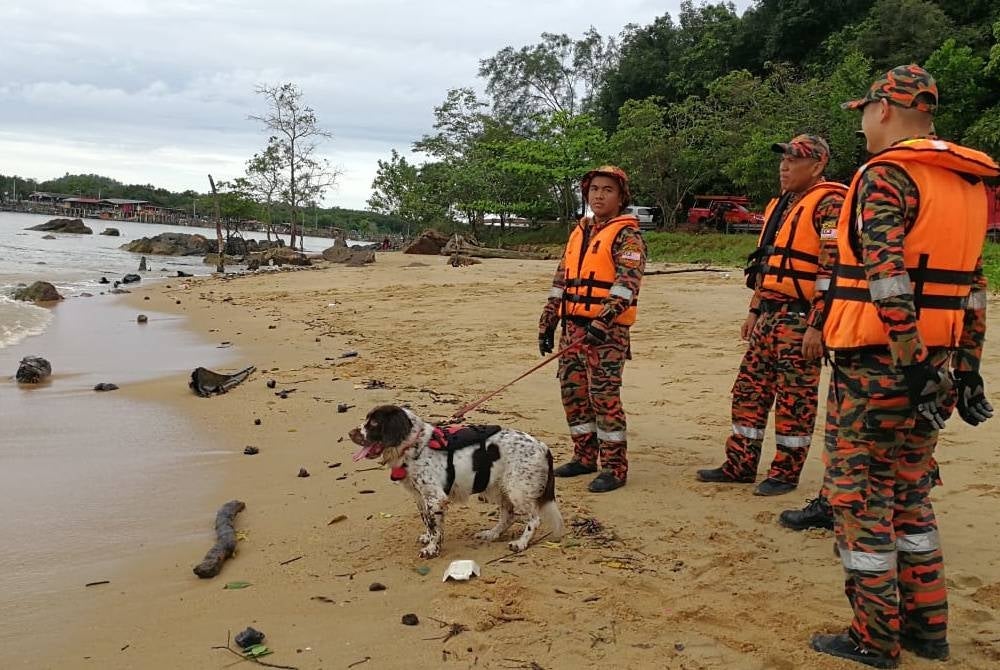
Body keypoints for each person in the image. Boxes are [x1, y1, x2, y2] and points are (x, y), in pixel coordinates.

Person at [811, 64, 997, 668]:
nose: (862, 124)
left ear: (884, 109)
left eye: (863, 112)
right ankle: (928, 629)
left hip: (881, 370)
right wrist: (965, 369)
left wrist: (909, 361)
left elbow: (886, 275)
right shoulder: (966, 184)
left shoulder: (887, 176)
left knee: (861, 501)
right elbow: (973, 287)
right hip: (936, 369)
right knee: (911, 497)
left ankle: (876, 639)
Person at [697, 135, 846, 496]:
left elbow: (832, 269)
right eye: (783, 159)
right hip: (769, 316)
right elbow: (768, 264)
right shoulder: (783, 206)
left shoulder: (830, 204)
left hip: (800, 320)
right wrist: (754, 310)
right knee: (748, 392)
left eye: (794, 160)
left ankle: (784, 472)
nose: (784, 166)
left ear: (818, 165)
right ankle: (740, 464)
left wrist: (817, 325)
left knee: (795, 400)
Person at [538, 165, 646, 493]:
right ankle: (584, 456)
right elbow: (561, 279)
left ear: (621, 196)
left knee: (603, 397)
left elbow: (628, 284)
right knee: (573, 393)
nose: (599, 195)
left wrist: (604, 320)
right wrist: (548, 320)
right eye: (594, 189)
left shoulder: (628, 235)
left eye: (607, 190)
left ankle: (614, 467)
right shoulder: (580, 231)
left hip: (606, 333)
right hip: (572, 328)